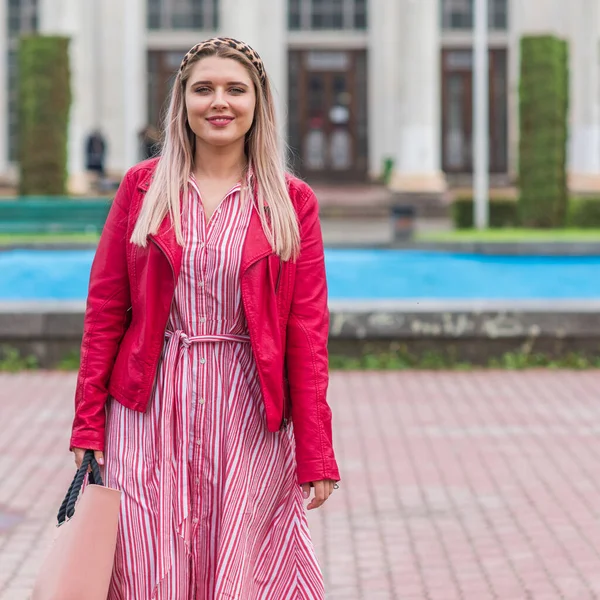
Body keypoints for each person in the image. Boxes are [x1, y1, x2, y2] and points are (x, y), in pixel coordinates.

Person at [69, 37, 340, 599]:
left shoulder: (292, 202)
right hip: (148, 406)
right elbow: (104, 313)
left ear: (257, 103)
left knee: (242, 571)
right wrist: (88, 423)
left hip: (248, 414)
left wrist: (316, 452)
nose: (220, 102)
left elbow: (307, 334)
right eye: (204, 89)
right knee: (146, 565)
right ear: (182, 102)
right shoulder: (143, 188)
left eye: (235, 89)